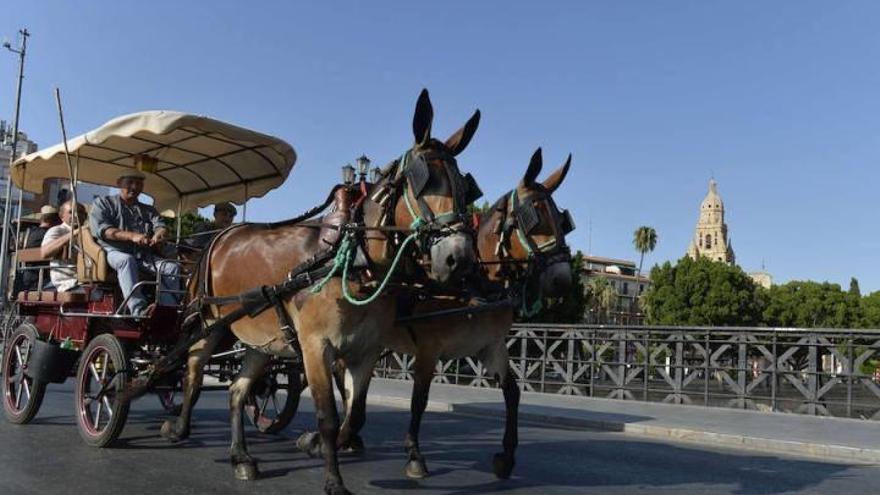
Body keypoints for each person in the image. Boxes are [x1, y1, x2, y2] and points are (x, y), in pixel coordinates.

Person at [89, 169, 180, 316]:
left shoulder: (148, 210)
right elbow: (104, 231)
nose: (134, 187)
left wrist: (159, 234)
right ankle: (139, 310)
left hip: (143, 255)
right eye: (130, 182)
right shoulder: (103, 203)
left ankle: (168, 311)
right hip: (112, 252)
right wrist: (132, 236)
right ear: (119, 183)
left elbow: (161, 226)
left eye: (139, 183)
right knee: (126, 260)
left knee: (171, 267)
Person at [40, 201, 87, 292]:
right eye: (71, 212)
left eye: (80, 212)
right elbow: (45, 252)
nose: (76, 215)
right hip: (68, 283)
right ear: (62, 216)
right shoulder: (57, 231)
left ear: (85, 216)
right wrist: (74, 233)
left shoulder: (89, 233)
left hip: (89, 280)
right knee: (99, 296)